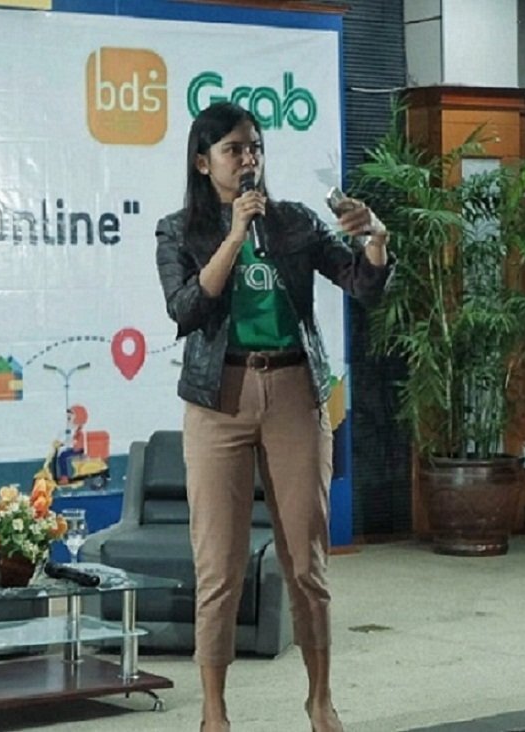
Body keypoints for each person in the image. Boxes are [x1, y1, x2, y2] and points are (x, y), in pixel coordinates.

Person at [155, 101, 392, 732]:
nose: (248, 159)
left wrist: (375, 239)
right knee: (219, 567)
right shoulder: (178, 231)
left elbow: (362, 285)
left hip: (292, 392)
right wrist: (234, 235)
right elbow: (185, 309)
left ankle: (320, 699)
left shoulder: (294, 222)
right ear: (203, 162)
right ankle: (214, 711)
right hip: (218, 400)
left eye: (255, 147)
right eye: (234, 149)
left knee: (306, 563)